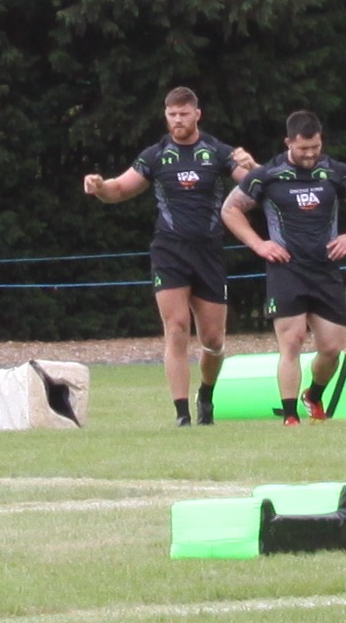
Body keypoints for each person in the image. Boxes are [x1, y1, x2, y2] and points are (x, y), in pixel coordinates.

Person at [83, 88, 252, 427]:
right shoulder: (156, 154)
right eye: (172, 114)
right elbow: (119, 189)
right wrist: (99, 186)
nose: (178, 120)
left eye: (184, 114)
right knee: (175, 328)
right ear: (166, 116)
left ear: (197, 115)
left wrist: (252, 166)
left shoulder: (217, 151)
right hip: (169, 251)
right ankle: (182, 415)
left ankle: (205, 394)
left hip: (209, 253)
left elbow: (257, 187)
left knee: (213, 340)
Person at [225, 112, 346, 422]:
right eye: (303, 148)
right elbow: (230, 210)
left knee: (332, 349)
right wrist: (259, 244)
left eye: (315, 147)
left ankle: (314, 395)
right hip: (287, 270)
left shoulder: (336, 172)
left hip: (325, 269)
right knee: (291, 342)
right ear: (288, 142)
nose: (310, 154)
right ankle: (291, 415)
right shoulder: (268, 174)